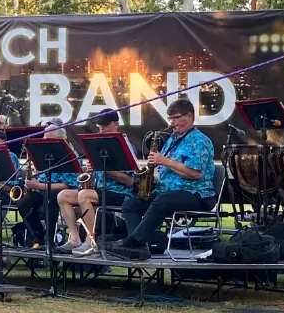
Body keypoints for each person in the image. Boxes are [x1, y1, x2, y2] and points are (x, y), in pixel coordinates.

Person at [113, 99, 217, 260]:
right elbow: (168, 167)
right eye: (170, 119)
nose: (172, 123)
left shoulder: (199, 141)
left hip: (196, 194)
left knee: (162, 201)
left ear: (189, 116)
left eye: (176, 118)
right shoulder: (173, 139)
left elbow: (195, 173)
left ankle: (133, 242)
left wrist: (164, 161)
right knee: (130, 204)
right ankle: (139, 247)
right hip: (169, 192)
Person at [57, 109, 136, 255]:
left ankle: (90, 241)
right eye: (100, 125)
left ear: (116, 124)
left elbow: (130, 181)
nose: (101, 128)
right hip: (100, 190)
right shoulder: (99, 144)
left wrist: (104, 169)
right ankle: (75, 239)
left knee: (84, 195)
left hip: (120, 193)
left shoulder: (125, 146)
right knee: (63, 195)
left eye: (105, 125)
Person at [13, 119, 76, 249]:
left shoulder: (70, 155)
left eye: (46, 138)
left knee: (50, 196)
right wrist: (33, 180)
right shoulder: (44, 154)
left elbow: (68, 185)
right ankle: (39, 237)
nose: (42, 140)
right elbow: (41, 178)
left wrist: (39, 186)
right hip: (42, 190)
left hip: (60, 193)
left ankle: (50, 240)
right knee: (24, 202)